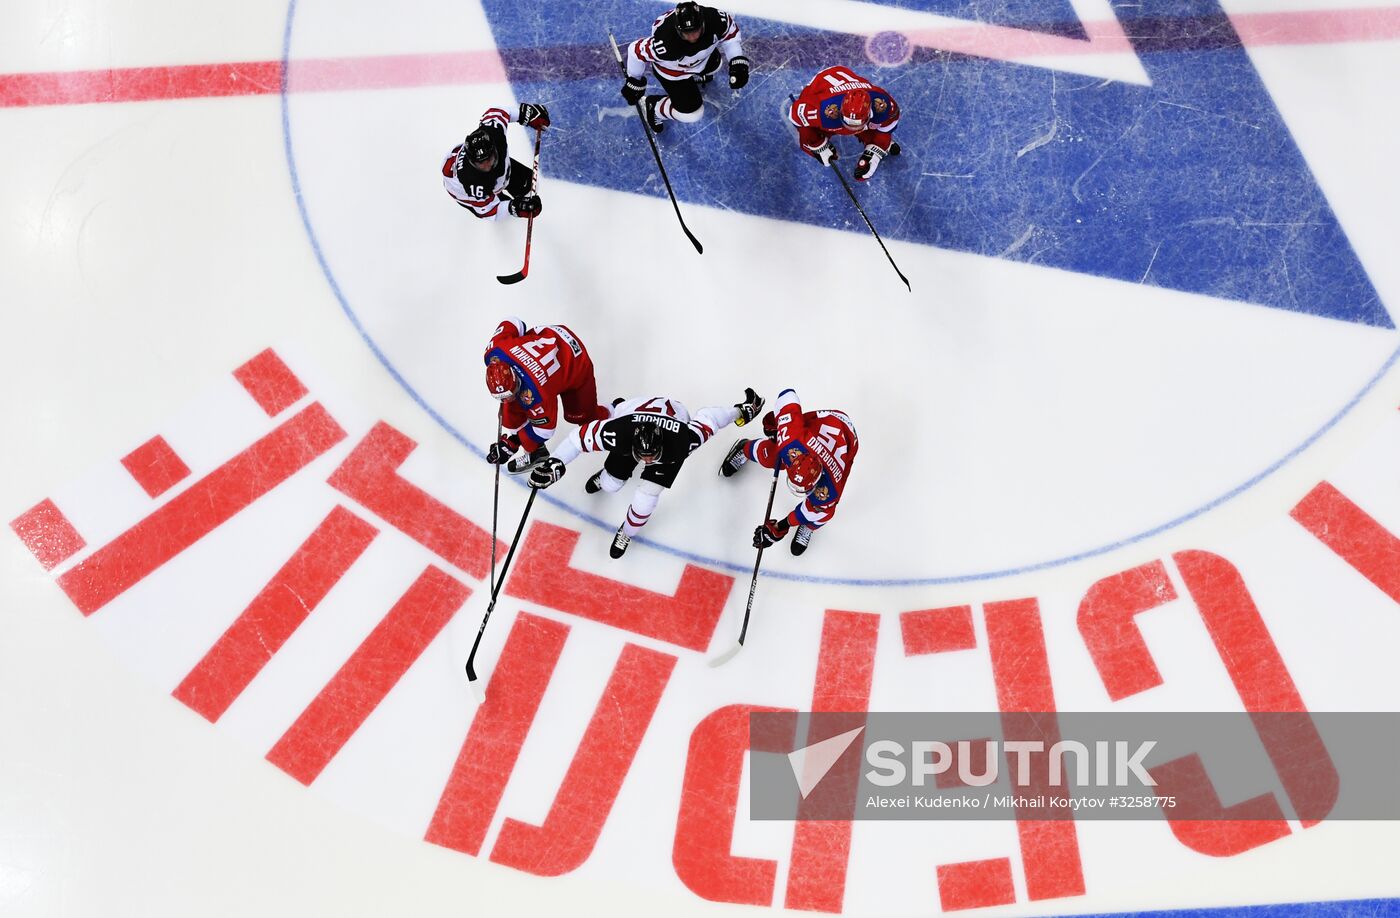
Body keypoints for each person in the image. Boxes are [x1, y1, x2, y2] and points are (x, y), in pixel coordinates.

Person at [530, 389, 764, 558]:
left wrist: (740, 411)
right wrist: (555, 463)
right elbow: (578, 439)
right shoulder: (620, 432)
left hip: (672, 422)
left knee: (645, 500)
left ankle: (627, 532)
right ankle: (606, 475)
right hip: (633, 412)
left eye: (652, 456)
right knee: (612, 484)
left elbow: (710, 420)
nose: (647, 461)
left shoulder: (682, 441)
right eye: (643, 456)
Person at [719, 388, 858, 556]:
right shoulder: (791, 442)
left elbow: (812, 510)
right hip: (825, 421)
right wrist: (776, 425)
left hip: (848, 438)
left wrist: (781, 526)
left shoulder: (828, 490)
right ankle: (745, 448)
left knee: (820, 514)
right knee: (773, 455)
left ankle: (809, 526)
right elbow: (787, 394)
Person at [483, 318, 611, 474]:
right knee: (509, 416)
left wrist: (513, 442)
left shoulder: (535, 394)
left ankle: (619, 411)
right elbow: (514, 323)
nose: (507, 400)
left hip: (575, 361)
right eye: (502, 396)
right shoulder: (495, 350)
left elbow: (545, 430)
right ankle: (536, 453)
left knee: (584, 419)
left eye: (510, 393)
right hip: (552, 335)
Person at [621, 1, 749, 134]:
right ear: (677, 28)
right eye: (686, 33)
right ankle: (655, 107)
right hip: (674, 73)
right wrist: (634, 81)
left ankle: (695, 75)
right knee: (693, 115)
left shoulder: (715, 18)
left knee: (716, 65)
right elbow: (636, 51)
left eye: (696, 31)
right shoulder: (666, 43)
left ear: (703, 23)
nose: (692, 37)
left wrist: (737, 60)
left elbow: (730, 34)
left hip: (702, 61)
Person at [788, 67, 901, 181]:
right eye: (849, 124)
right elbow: (795, 115)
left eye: (857, 125)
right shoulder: (823, 110)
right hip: (819, 91)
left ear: (870, 112)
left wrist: (877, 148)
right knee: (808, 136)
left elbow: (888, 125)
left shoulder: (883, 104)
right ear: (840, 110)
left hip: (851, 87)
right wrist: (816, 144)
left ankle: (871, 136)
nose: (852, 128)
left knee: (876, 128)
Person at [442, 103, 551, 219]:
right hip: (462, 190)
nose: (487, 165)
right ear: (472, 162)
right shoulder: (473, 185)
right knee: (507, 211)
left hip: (488, 174)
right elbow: (487, 211)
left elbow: (497, 113)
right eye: (481, 163)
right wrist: (514, 207)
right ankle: (501, 196)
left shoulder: (494, 133)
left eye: (489, 158)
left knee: (528, 186)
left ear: (493, 149)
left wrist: (526, 114)